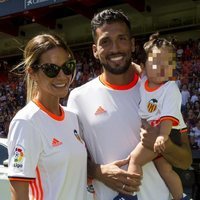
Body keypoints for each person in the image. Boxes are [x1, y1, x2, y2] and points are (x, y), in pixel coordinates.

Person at [67, 9, 192, 200]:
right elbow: (70, 161)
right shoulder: (78, 98)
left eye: (122, 39)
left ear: (133, 44)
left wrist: (161, 144)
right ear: (94, 50)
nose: (115, 48)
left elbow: (185, 160)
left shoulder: (160, 90)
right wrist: (98, 171)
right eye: (105, 42)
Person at [7, 34, 87, 200]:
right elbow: (19, 193)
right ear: (32, 73)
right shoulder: (27, 122)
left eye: (67, 67)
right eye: (51, 69)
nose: (62, 76)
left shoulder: (72, 117)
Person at [127, 33, 188, 200]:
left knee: (135, 160)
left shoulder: (170, 88)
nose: (162, 67)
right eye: (156, 63)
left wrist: (162, 136)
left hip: (167, 132)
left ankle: (129, 195)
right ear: (145, 66)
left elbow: (168, 117)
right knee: (165, 170)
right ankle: (180, 197)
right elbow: (135, 67)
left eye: (168, 63)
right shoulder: (145, 81)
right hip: (159, 132)